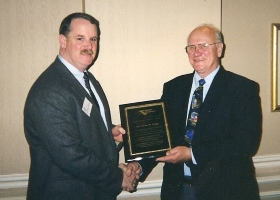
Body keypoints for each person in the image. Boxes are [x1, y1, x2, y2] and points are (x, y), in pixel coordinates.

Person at [24, 12, 141, 200]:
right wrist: (119, 177)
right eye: (80, 38)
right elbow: (71, 156)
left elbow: (76, 125)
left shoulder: (86, 79)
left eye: (93, 39)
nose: (89, 46)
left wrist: (107, 132)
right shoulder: (49, 90)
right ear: (63, 41)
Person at [139, 24, 262, 200]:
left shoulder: (242, 88)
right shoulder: (174, 87)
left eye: (204, 45)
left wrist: (192, 153)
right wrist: (139, 166)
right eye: (191, 47)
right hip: (178, 188)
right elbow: (159, 135)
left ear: (219, 49)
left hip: (226, 190)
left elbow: (246, 143)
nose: (197, 52)